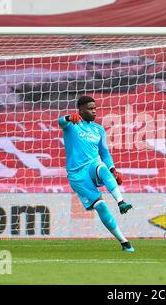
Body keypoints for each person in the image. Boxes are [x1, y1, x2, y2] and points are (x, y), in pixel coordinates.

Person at [59, 95, 135, 252]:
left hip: (92, 167)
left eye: (95, 108)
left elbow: (105, 153)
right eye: (90, 108)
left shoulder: (99, 129)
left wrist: (113, 169)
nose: (94, 111)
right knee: (100, 206)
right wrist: (68, 117)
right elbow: (61, 122)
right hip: (77, 176)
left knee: (101, 166)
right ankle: (124, 242)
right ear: (80, 110)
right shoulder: (72, 125)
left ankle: (121, 202)